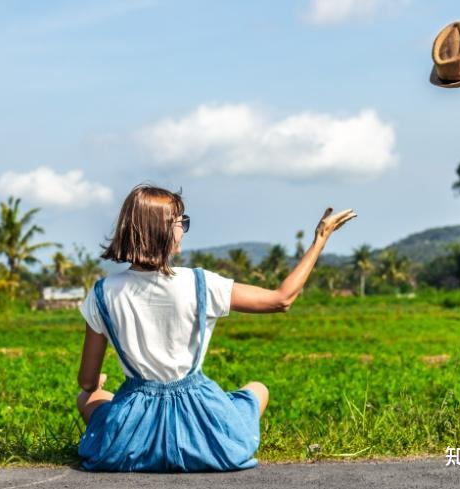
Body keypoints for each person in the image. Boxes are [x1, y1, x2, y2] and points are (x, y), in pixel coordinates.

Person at [75, 184, 357, 472]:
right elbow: (281, 299)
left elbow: (86, 381)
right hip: (204, 433)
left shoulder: (102, 293)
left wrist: (96, 385)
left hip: (130, 444)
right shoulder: (201, 283)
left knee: (90, 397)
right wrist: (320, 240)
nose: (182, 229)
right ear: (161, 230)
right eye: (179, 222)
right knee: (257, 389)